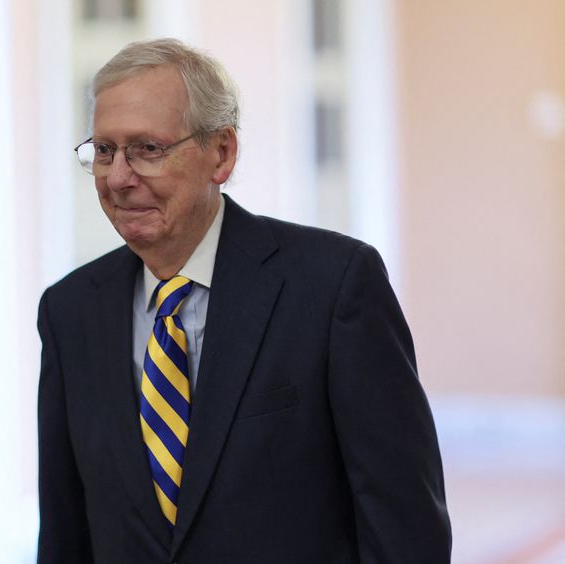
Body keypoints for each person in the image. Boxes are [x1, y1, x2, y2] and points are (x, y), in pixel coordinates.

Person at [37, 38, 451, 564]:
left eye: (148, 149)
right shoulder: (69, 311)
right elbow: (65, 535)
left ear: (222, 153)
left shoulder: (333, 286)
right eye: (103, 151)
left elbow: (405, 529)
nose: (118, 177)